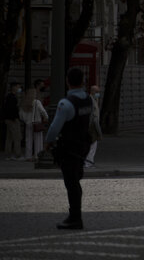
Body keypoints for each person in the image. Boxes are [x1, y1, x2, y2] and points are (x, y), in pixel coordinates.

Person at [44, 67, 93, 230]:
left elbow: (54, 128)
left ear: (67, 81)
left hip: (69, 148)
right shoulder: (88, 99)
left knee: (71, 183)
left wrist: (48, 142)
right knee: (75, 180)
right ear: (83, 81)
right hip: (83, 146)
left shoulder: (66, 103)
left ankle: (75, 217)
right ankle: (75, 216)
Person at [19, 86, 48, 161]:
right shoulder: (37, 102)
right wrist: (46, 117)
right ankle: (37, 156)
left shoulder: (24, 102)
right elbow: (42, 111)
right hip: (37, 123)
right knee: (38, 140)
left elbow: (21, 115)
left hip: (28, 124)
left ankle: (28, 156)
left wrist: (26, 120)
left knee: (28, 140)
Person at [3, 83, 23, 160]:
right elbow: (12, 109)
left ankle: (8, 155)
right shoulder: (12, 97)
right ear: (13, 87)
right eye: (18, 86)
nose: (19, 88)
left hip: (9, 119)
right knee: (17, 137)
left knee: (9, 137)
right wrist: (15, 118)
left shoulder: (9, 96)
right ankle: (17, 155)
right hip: (13, 119)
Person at [84, 85, 102, 168]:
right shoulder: (91, 100)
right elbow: (93, 116)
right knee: (92, 145)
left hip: (91, 125)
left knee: (91, 144)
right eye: (96, 92)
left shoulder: (94, 100)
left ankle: (88, 162)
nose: (98, 94)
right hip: (91, 126)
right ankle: (89, 162)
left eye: (99, 92)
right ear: (92, 91)